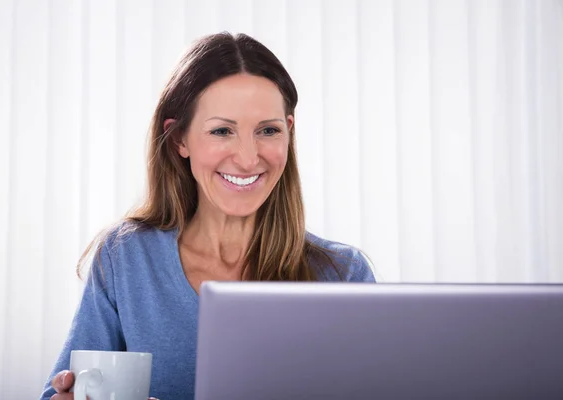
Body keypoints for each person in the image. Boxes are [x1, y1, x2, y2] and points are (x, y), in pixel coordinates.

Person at [40, 31, 375, 400]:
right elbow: (67, 391)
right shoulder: (127, 258)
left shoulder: (345, 275)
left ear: (288, 133)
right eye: (221, 131)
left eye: (267, 130)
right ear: (180, 138)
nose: (248, 158)